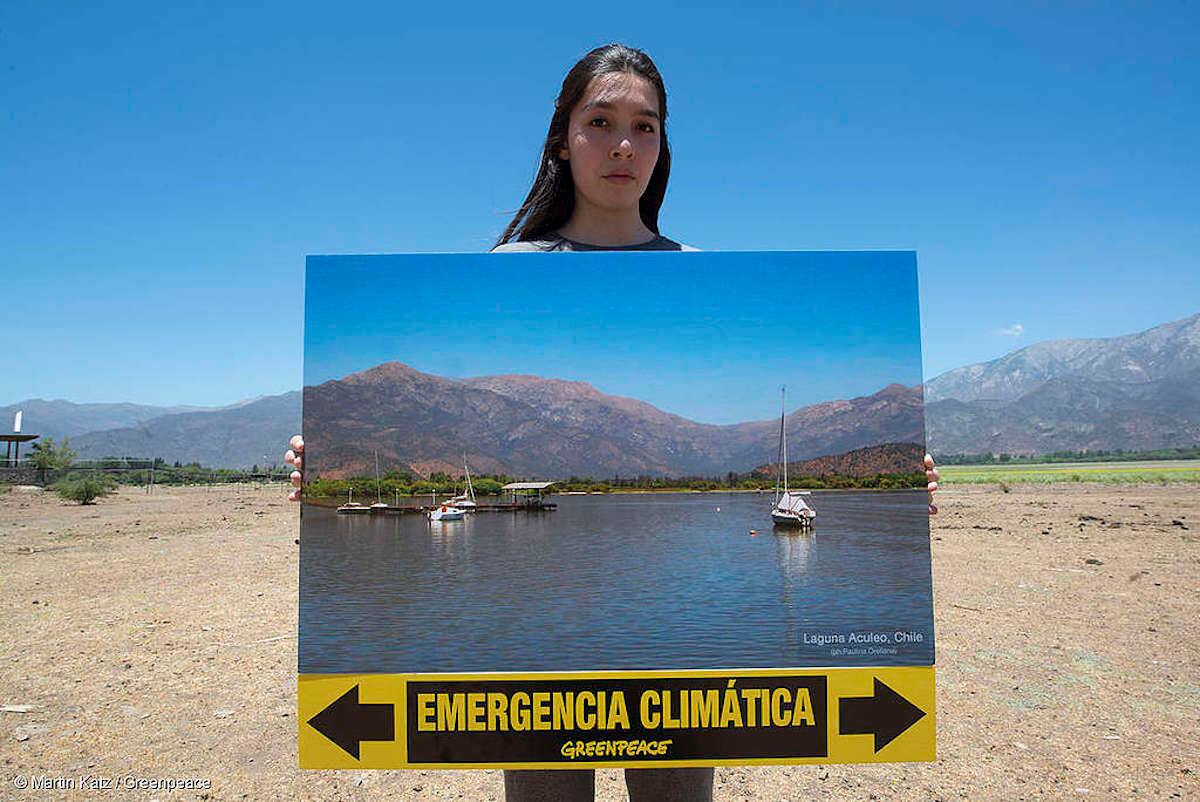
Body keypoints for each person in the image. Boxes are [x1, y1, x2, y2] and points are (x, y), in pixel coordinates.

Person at [285, 42, 940, 802]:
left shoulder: (698, 265)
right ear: (563, 139)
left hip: (679, 689)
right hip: (538, 677)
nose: (624, 144)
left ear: (663, 144)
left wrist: (920, 480)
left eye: (645, 126)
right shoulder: (506, 264)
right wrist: (312, 458)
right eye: (600, 122)